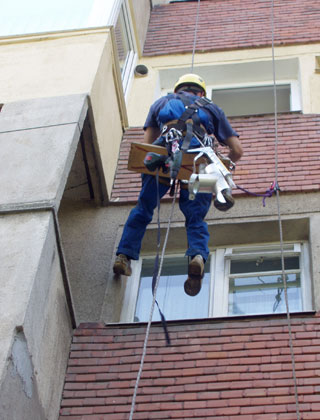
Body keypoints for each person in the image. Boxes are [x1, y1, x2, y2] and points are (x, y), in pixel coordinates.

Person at [113, 73, 243, 296]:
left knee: (143, 209)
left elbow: (147, 145)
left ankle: (123, 256)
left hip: (162, 158)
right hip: (199, 162)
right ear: (201, 92)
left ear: (177, 90)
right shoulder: (212, 108)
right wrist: (222, 165)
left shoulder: (161, 103)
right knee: (195, 217)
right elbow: (237, 150)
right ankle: (197, 256)